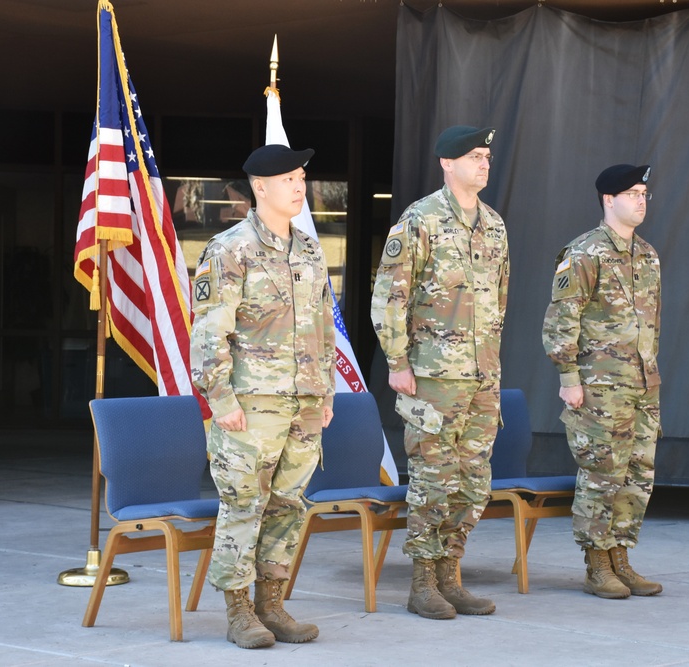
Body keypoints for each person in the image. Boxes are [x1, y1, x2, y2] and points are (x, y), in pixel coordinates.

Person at [190, 144, 335, 649]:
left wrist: (325, 393)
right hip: (250, 407)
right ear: (260, 187)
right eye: (290, 179)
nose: (300, 187)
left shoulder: (310, 248)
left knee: (289, 505)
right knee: (243, 506)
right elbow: (209, 332)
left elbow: (323, 327)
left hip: (304, 403)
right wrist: (222, 400)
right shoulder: (229, 249)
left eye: (301, 177)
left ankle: (273, 603)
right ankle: (238, 611)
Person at [370, 125, 509, 620]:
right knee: (433, 478)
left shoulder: (493, 224)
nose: (485, 163)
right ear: (447, 164)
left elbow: (499, 302)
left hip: (481, 377)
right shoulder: (420, 220)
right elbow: (390, 297)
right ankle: (422, 582)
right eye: (475, 156)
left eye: (488, 156)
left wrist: (490, 364)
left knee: (473, 481)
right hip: (431, 377)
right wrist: (397, 362)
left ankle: (451, 574)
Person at [542, 163, 663, 600]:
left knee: (637, 476)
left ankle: (621, 558)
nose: (641, 200)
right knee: (601, 474)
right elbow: (561, 320)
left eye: (645, 193)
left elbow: (651, 325)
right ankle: (597, 563)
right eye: (632, 193)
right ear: (608, 200)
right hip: (598, 387)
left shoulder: (647, 255)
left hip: (642, 385)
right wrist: (568, 377)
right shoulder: (584, 253)